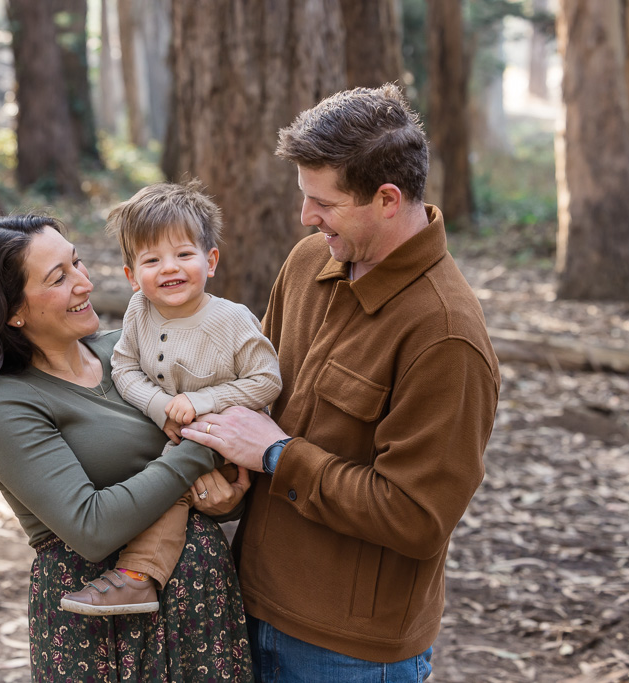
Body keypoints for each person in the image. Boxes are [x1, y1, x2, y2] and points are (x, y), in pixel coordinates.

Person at [181, 84, 501, 682]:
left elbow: (417, 516)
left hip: (347, 653)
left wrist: (278, 454)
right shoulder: (307, 263)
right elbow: (258, 396)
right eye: (305, 198)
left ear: (386, 199)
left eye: (323, 202)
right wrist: (229, 472)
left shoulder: (446, 335)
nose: (306, 217)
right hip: (249, 601)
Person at [0, 214, 253, 681]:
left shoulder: (126, 352)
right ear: (11, 311)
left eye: (77, 263)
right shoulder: (5, 403)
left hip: (200, 607)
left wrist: (220, 500)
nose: (85, 282)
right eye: (59, 277)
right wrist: (203, 447)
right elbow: (92, 525)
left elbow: (188, 473)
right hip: (101, 632)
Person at [60, 180, 281, 616]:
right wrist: (161, 408)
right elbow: (124, 368)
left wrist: (203, 403)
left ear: (210, 260)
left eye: (183, 254)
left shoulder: (231, 320)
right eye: (152, 259)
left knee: (172, 489)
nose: (169, 268)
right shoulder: (139, 311)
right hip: (172, 432)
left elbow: (266, 381)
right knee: (156, 476)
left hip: (223, 432)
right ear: (131, 276)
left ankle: (138, 578)